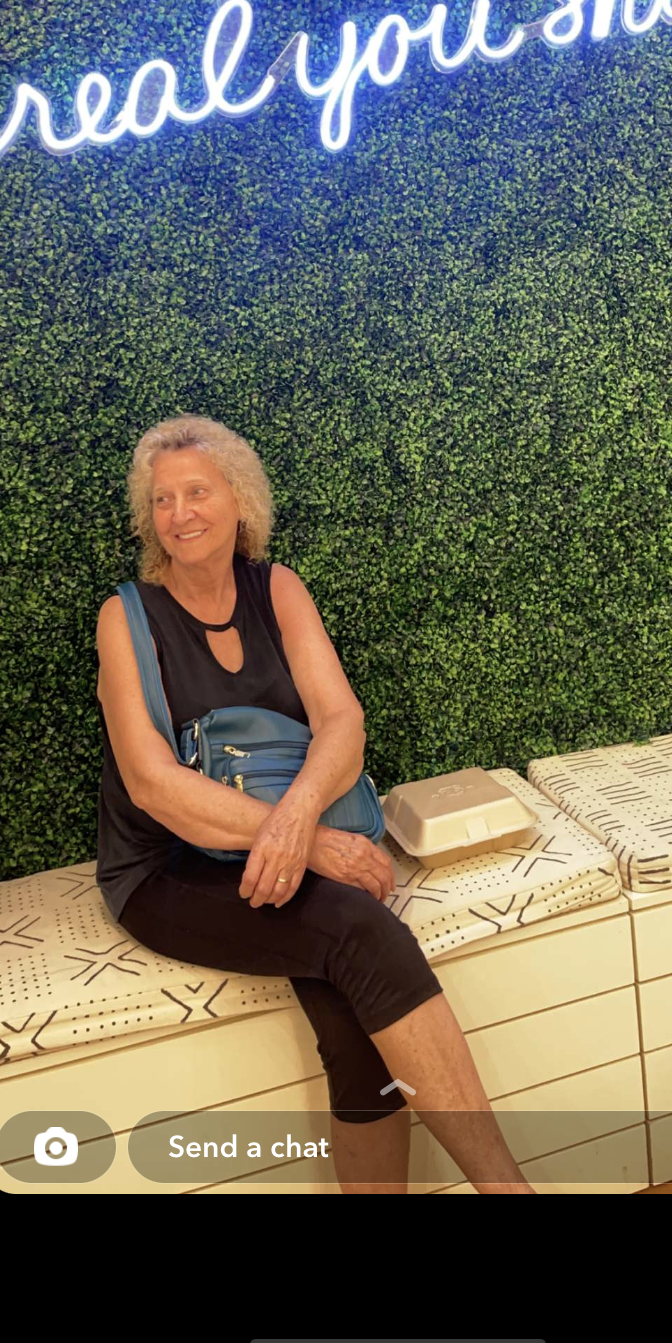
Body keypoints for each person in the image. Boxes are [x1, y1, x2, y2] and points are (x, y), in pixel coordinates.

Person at [95, 411, 535, 1194]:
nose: (180, 514)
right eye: (162, 500)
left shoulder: (277, 588)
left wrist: (300, 822)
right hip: (168, 869)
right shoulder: (126, 617)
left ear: (240, 503)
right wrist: (312, 842)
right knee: (363, 935)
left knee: (355, 1021)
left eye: (197, 492)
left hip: (274, 841)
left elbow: (342, 720)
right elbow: (151, 784)